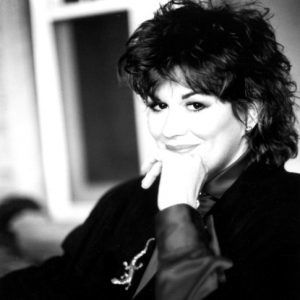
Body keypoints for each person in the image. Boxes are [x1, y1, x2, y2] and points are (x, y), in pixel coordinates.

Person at [0, 0, 299, 299]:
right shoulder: (126, 200)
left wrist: (177, 212)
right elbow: (58, 284)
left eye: (195, 105)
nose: (169, 129)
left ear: (250, 113)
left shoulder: (287, 214)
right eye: (159, 105)